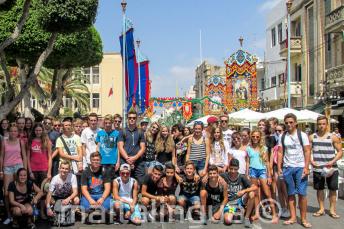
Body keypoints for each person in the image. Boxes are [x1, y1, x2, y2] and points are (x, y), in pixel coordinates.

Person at [278, 113, 312, 228]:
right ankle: (293, 217)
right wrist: (279, 167)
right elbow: (280, 152)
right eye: (286, 123)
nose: (289, 124)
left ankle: (303, 219)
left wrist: (306, 167)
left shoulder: (302, 135)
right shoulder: (283, 136)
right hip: (287, 167)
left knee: (302, 194)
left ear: (296, 123)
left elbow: (307, 151)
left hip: (300, 167)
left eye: (291, 122)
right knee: (290, 194)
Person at [310, 116, 342, 219]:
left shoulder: (333, 137)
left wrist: (332, 161)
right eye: (319, 124)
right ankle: (321, 208)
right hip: (318, 168)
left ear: (327, 125)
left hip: (332, 168)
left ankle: (332, 210)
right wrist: (311, 161)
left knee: (332, 189)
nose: (321, 126)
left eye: (323, 124)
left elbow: (340, 152)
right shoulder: (312, 137)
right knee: (319, 189)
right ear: (317, 124)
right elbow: (307, 151)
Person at [247, 130, 278, 224]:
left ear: (260, 137)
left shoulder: (264, 148)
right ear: (251, 137)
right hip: (252, 171)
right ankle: (256, 213)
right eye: (253, 136)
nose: (255, 138)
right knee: (255, 193)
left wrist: (269, 176)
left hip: (262, 171)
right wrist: (247, 173)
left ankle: (274, 214)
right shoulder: (248, 148)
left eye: (257, 136)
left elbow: (267, 162)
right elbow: (248, 162)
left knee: (267, 193)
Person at [0, 125, 27, 225]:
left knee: (19, 190)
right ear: (8, 132)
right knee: (7, 193)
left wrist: (25, 170)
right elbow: (1, 156)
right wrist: (1, 171)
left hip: (18, 166)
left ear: (18, 132)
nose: (13, 133)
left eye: (15, 131)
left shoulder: (21, 141)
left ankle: (20, 212)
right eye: (11, 131)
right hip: (7, 167)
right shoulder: (4, 141)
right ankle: (9, 215)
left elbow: (24, 156)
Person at [221, 159, 257, 228]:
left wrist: (244, 191)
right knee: (228, 220)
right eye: (231, 169)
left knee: (251, 193)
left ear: (238, 168)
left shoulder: (242, 177)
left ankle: (246, 218)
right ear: (228, 167)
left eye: (235, 169)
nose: (233, 171)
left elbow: (255, 187)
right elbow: (214, 174)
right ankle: (238, 213)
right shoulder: (224, 175)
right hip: (229, 203)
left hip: (240, 201)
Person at [118, 109, 146, 184]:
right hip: (125, 161)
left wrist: (135, 158)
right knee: (124, 182)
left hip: (138, 161)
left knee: (140, 182)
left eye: (134, 118)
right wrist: (128, 159)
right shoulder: (122, 131)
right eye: (130, 118)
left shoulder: (140, 132)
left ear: (136, 119)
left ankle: (136, 195)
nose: (132, 119)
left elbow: (143, 148)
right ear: (127, 119)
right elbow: (120, 147)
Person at [96, 114, 120, 179]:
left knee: (112, 181)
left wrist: (118, 162)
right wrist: (98, 160)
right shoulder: (100, 133)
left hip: (113, 162)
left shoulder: (117, 133)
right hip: (102, 161)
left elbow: (118, 148)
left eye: (109, 123)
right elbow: (98, 147)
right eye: (106, 123)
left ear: (112, 123)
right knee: (102, 181)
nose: (107, 124)